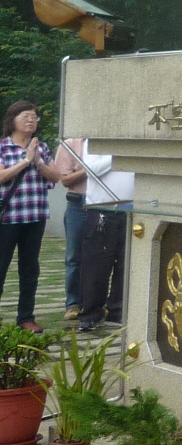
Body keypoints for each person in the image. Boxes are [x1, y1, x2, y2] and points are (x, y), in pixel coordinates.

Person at [0, 100, 67, 331]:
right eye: (25, 116)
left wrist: (37, 160)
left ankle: (26, 317)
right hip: (7, 218)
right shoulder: (3, 147)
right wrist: (25, 161)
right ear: (13, 120)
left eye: (34, 117)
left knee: (30, 269)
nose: (31, 121)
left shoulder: (42, 148)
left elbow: (55, 177)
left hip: (35, 216)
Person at [76, 139, 133, 333]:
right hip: (102, 209)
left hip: (132, 209)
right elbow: (91, 170)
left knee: (126, 264)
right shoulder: (96, 140)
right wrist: (118, 152)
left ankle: (118, 311)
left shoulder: (136, 141)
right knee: (96, 265)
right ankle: (90, 314)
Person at [57, 137, 89, 322]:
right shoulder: (71, 143)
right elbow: (65, 179)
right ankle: (73, 303)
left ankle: (95, 302)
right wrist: (91, 169)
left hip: (106, 203)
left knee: (100, 256)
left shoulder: (109, 141)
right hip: (78, 203)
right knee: (73, 256)